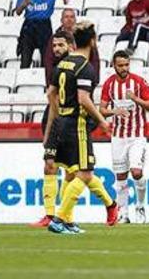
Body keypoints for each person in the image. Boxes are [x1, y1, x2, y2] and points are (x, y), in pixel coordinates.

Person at [47, 22, 119, 235]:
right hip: (77, 125)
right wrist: (103, 121)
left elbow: (51, 94)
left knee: (71, 174)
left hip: (62, 122)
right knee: (86, 173)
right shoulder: (84, 67)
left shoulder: (61, 64)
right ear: (93, 41)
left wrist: (57, 117)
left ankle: (68, 222)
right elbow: (83, 98)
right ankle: (59, 219)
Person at [100, 50, 149, 224]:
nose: (124, 68)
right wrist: (114, 111)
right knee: (120, 176)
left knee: (136, 172)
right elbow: (102, 109)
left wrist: (135, 98)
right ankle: (123, 213)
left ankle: (140, 206)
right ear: (114, 66)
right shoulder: (109, 84)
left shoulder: (138, 82)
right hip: (118, 136)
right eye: (120, 65)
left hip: (137, 135)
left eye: (126, 65)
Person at [31, 29, 74, 228]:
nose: (56, 49)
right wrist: (49, 131)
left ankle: (64, 215)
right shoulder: (55, 69)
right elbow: (53, 99)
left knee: (72, 172)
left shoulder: (78, 66)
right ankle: (49, 214)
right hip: (54, 119)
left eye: (60, 45)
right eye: (54, 46)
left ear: (70, 46)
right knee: (49, 165)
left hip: (72, 122)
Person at [15, 0, 66, 69]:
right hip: (29, 25)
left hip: (44, 25)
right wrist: (24, 4)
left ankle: (45, 83)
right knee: (25, 59)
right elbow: (18, 11)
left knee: (46, 59)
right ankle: (24, 82)